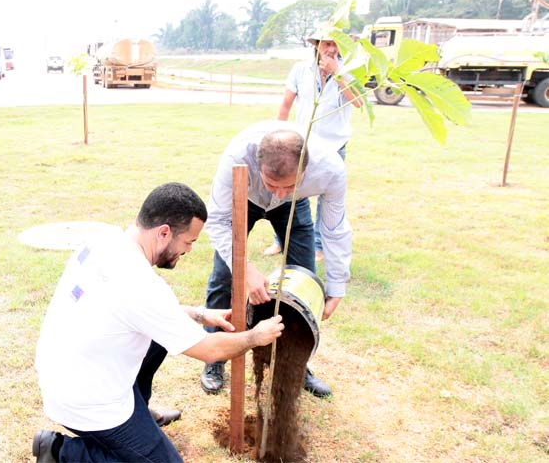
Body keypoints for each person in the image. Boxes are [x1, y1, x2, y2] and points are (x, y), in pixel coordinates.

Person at [33, 182, 285, 463]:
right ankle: (59, 452)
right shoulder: (141, 284)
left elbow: (133, 311)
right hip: (89, 404)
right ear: (164, 232)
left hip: (67, 373)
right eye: (188, 241)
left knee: (157, 339)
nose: (188, 250)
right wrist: (255, 336)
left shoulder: (106, 240)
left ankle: (138, 406)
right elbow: (209, 350)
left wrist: (202, 314)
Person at [200, 122, 351, 398]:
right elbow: (218, 221)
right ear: (258, 166)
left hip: (296, 205)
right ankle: (215, 357)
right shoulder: (237, 156)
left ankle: (296, 365)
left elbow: (334, 228)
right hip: (244, 199)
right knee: (224, 276)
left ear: (306, 170)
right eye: (272, 184)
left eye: (289, 184)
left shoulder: (329, 168)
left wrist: (337, 284)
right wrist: (244, 269)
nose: (278, 193)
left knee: (305, 279)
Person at [264, 29, 362, 261]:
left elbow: (358, 102)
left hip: (334, 146)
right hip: (303, 143)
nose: (331, 49)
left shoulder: (349, 71)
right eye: (327, 43)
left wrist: (337, 73)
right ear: (316, 45)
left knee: (327, 198)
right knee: (290, 194)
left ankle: (318, 246)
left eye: (336, 44)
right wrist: (279, 134)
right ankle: (280, 240)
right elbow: (286, 103)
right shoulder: (300, 69)